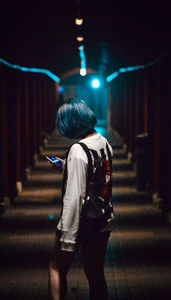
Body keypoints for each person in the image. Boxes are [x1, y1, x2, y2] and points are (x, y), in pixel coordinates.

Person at [49, 98, 114, 300]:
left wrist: (67, 236)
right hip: (102, 220)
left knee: (56, 268)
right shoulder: (103, 141)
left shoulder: (78, 150)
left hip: (81, 222)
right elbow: (94, 174)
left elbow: (74, 196)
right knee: (95, 274)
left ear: (71, 123)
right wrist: (66, 165)